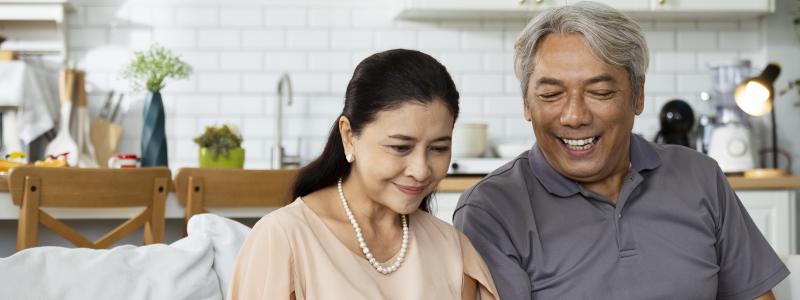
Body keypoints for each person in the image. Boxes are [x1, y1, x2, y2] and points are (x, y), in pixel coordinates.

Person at [453, 2, 789, 299]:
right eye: (551, 95)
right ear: (526, 103)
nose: (574, 116)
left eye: (599, 92)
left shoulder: (700, 176)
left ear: (637, 96)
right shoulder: (492, 209)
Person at [228, 49, 498, 300]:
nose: (420, 170)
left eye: (438, 148)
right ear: (349, 136)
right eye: (400, 147)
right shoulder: (283, 239)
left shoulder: (452, 250)